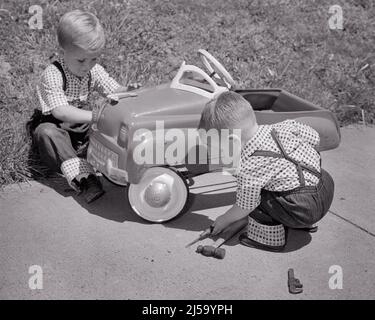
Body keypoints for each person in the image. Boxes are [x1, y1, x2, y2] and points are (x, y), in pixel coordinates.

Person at [198, 91, 334, 251]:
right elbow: (314, 139)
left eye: (219, 150)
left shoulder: (249, 166)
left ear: (232, 141)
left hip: (301, 210)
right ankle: (306, 221)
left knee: (256, 197)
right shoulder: (285, 126)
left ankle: (268, 239)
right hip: (325, 187)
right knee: (298, 175)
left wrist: (224, 219)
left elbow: (244, 206)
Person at [34, 10, 137, 203]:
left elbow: (112, 89)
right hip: (59, 130)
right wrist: (95, 116)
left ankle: (118, 162)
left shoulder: (93, 70)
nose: (87, 66)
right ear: (62, 53)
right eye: (81, 60)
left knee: (112, 122)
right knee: (45, 132)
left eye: (94, 59)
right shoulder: (53, 74)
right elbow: (60, 111)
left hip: (82, 129)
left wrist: (126, 90)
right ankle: (84, 178)